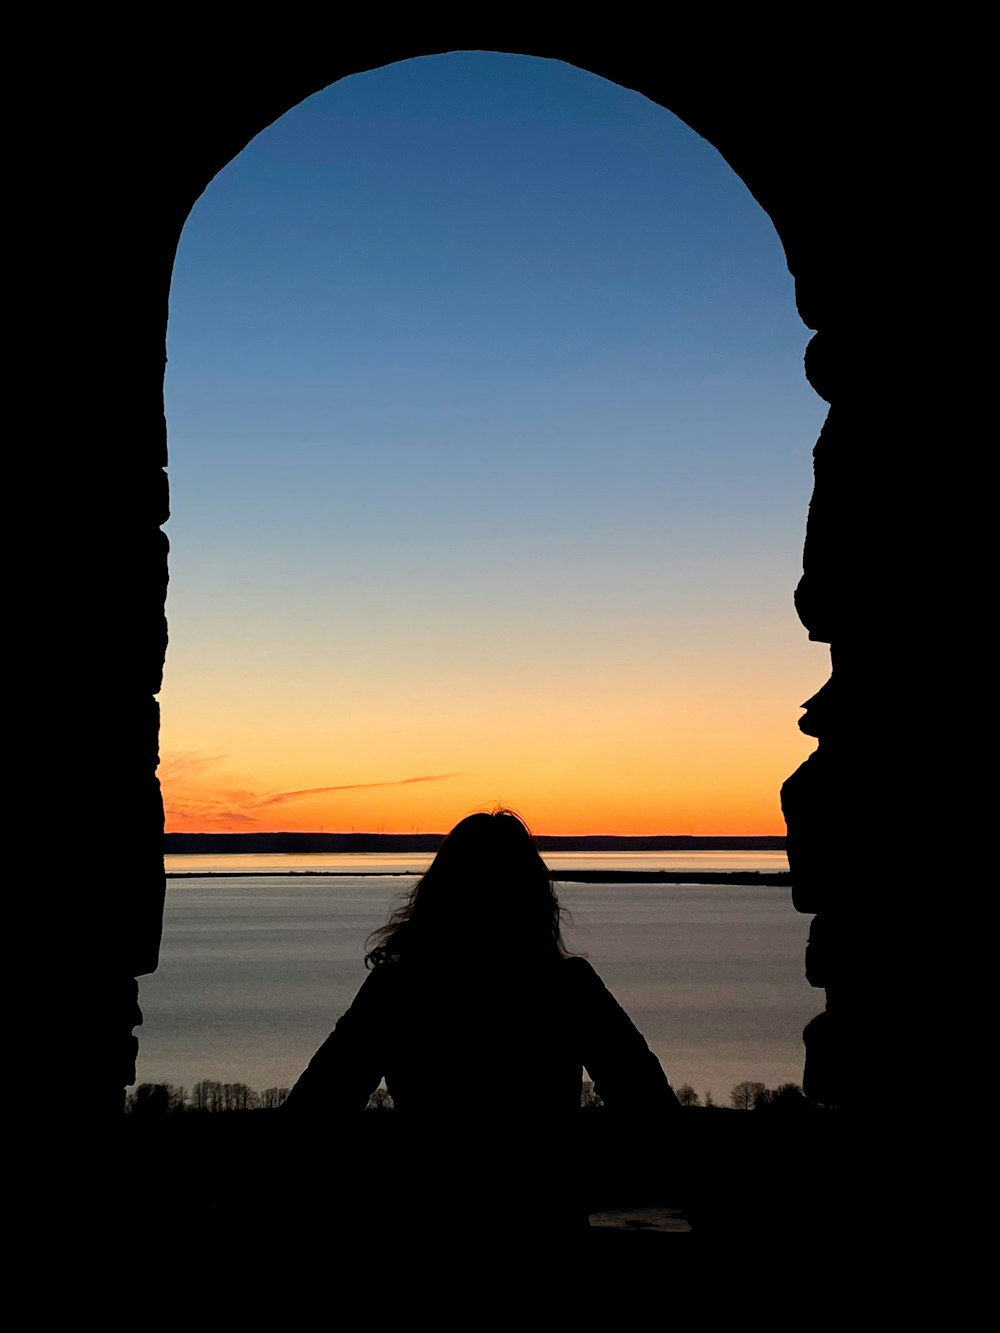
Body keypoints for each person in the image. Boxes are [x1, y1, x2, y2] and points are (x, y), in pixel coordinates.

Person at [284, 809, 681, 1234]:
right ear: (534, 898)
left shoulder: (398, 990)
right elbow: (653, 1113)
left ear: (437, 895)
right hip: (543, 1222)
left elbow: (314, 1114)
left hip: (432, 1217)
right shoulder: (567, 989)